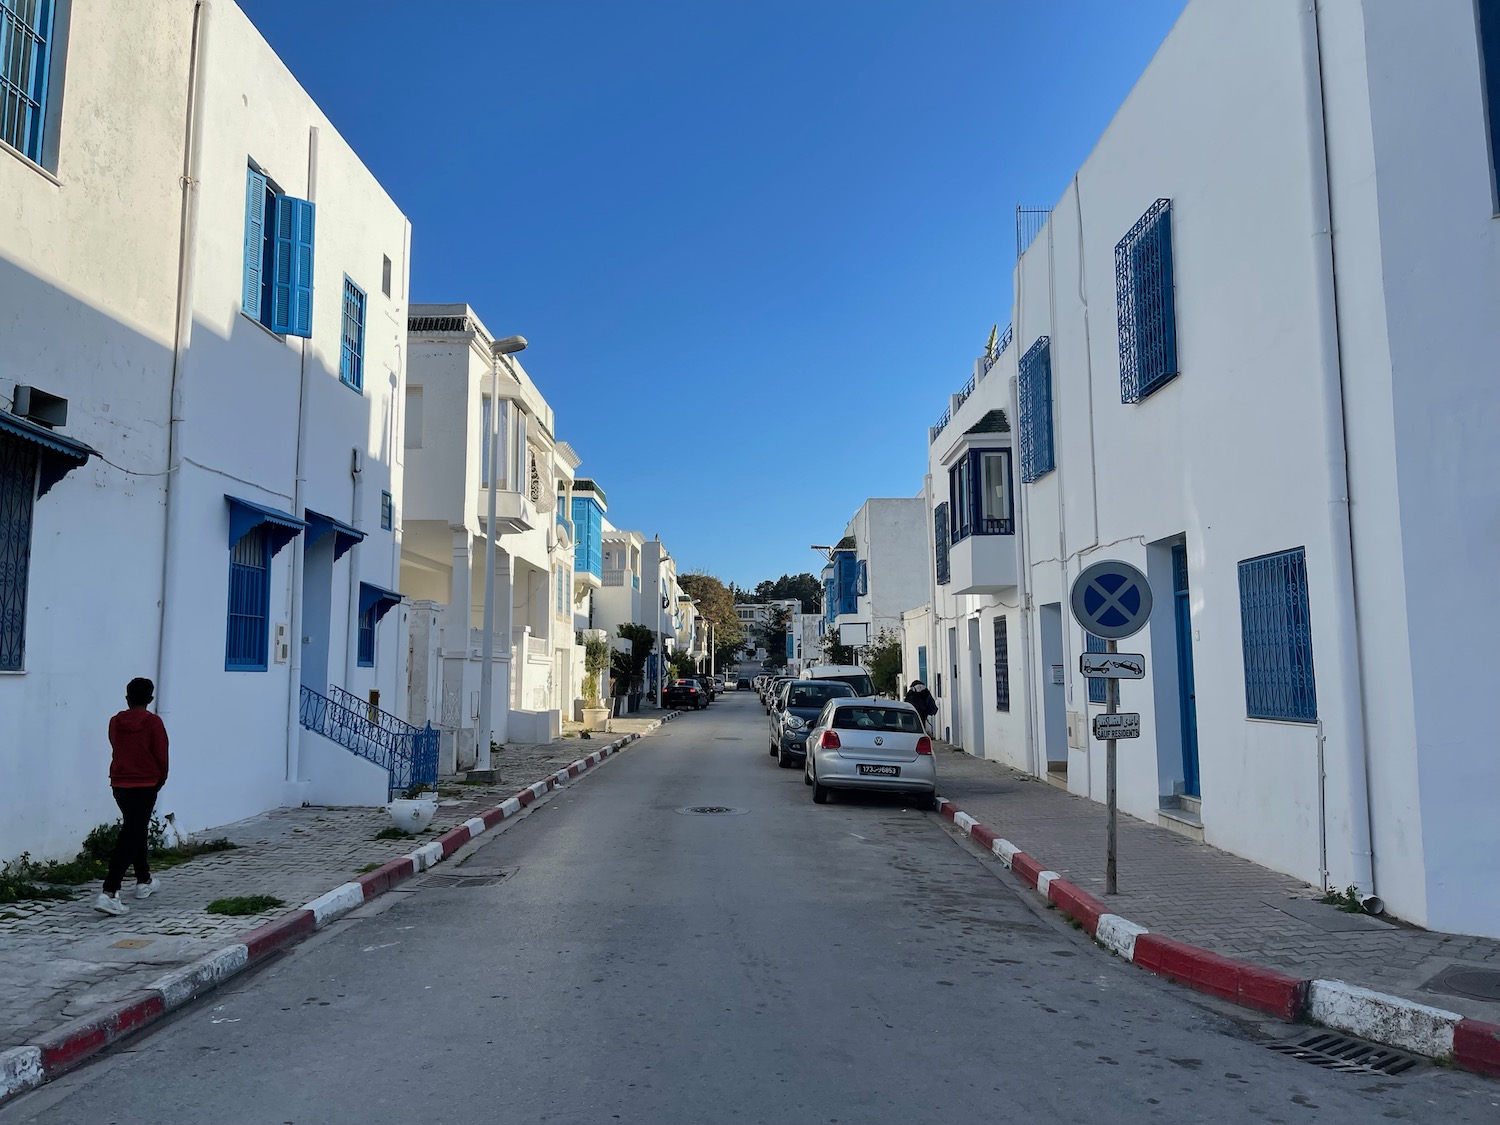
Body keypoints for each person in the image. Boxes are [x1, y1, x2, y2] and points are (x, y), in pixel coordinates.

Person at [95, 677, 169, 916]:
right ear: (150, 698)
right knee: (132, 835)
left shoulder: (115, 722)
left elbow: (115, 745)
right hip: (146, 783)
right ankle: (109, 892)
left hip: (120, 783)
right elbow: (161, 755)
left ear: (127, 697)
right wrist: (160, 780)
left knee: (135, 829)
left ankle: (144, 880)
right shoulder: (153, 722)